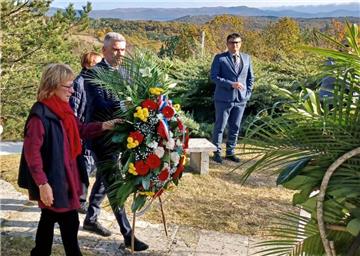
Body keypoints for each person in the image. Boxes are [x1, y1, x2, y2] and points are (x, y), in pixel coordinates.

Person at [17, 63, 120, 256]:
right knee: (69, 221)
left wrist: (104, 126)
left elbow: (79, 129)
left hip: (67, 176)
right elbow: (32, 155)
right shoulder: (39, 117)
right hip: (55, 180)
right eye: (68, 86)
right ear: (53, 85)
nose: (73, 91)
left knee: (48, 219)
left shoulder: (63, 110)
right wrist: (43, 184)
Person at [81, 32, 149, 251]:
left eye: (122, 49)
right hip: (103, 137)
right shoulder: (93, 75)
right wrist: (129, 107)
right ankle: (128, 235)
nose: (120, 54)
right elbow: (101, 106)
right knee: (113, 183)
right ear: (104, 51)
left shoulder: (127, 72)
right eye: (115, 49)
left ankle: (91, 219)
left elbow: (137, 96)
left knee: (104, 178)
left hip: (124, 137)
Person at [210, 33, 254, 164]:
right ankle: (216, 152)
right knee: (220, 126)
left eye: (237, 42)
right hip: (223, 99)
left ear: (241, 44)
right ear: (227, 44)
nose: (234, 45)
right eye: (232, 42)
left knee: (235, 126)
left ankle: (230, 152)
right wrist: (231, 84)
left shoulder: (247, 58)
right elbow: (214, 77)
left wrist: (247, 94)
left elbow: (250, 78)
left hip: (241, 99)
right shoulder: (220, 58)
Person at [70, 51, 102, 214]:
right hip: (83, 132)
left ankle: (79, 198)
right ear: (87, 65)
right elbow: (73, 110)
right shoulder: (79, 82)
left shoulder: (94, 82)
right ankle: (80, 200)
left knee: (88, 166)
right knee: (85, 167)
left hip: (92, 131)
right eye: (97, 64)